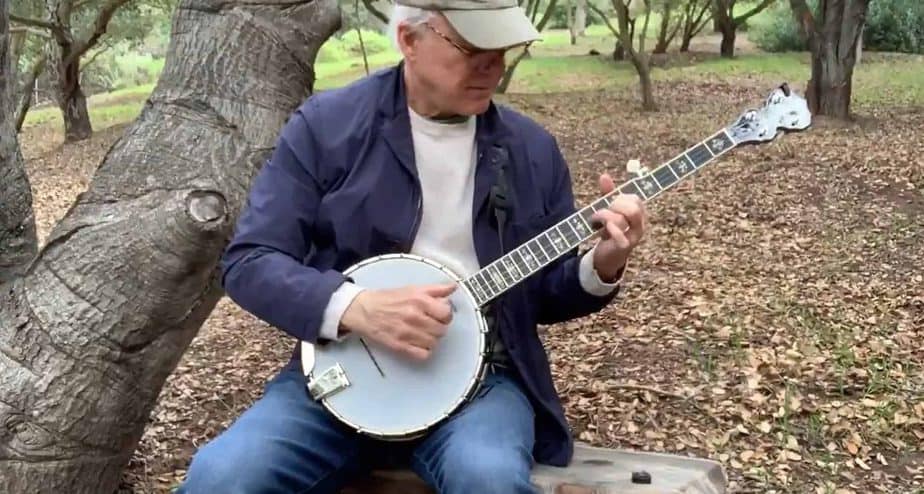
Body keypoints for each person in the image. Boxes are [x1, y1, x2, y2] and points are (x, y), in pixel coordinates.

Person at [177, 0, 647, 492]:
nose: (493, 65)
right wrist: (355, 307)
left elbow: (546, 294)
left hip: (484, 383)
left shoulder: (531, 150)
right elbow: (250, 261)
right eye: (472, 47)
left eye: (502, 48)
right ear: (409, 40)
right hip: (344, 374)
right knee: (224, 477)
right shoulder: (326, 128)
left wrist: (604, 262)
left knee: (487, 478)